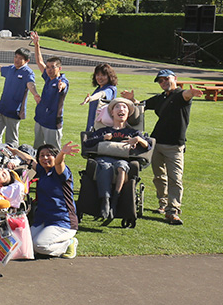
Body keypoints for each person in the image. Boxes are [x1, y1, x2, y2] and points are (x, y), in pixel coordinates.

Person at [123, 69, 203, 226]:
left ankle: (172, 211)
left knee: (175, 178)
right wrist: (133, 100)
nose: (164, 82)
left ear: (175, 78)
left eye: (166, 79)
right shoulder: (161, 98)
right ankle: (163, 204)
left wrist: (192, 93)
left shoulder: (181, 95)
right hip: (156, 143)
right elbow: (142, 106)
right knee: (159, 176)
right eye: (160, 81)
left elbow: (186, 95)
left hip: (175, 146)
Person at [83, 97, 154, 222]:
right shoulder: (104, 130)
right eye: (117, 107)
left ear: (128, 113)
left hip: (123, 160)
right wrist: (103, 138)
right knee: (105, 167)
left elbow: (148, 145)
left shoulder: (133, 132)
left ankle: (114, 201)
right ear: (112, 113)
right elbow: (88, 143)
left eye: (124, 107)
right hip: (104, 158)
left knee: (121, 168)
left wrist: (138, 140)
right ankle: (105, 200)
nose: (121, 109)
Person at [29, 142, 80, 258]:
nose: (45, 158)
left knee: (39, 246)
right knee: (27, 245)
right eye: (42, 155)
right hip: (44, 219)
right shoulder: (43, 171)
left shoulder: (60, 172)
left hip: (63, 221)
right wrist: (12, 150)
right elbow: (29, 160)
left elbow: (59, 162)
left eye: (49, 155)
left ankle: (68, 244)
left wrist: (62, 153)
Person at [0, 48, 39, 149]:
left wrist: (35, 94)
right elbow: (0, 68)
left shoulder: (28, 72)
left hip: (14, 110)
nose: (16, 60)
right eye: (16, 57)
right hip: (1, 108)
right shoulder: (11, 69)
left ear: (27, 61)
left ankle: (11, 159)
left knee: (11, 140)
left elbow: (30, 84)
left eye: (20, 58)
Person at [30, 32, 69, 149]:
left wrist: (61, 86)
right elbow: (39, 61)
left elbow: (63, 86)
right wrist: (36, 44)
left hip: (52, 123)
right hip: (40, 119)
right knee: (38, 150)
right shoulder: (47, 77)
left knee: (53, 151)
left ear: (59, 68)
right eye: (48, 67)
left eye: (53, 67)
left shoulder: (62, 80)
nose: (50, 70)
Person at [81, 63, 118, 131]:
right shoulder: (99, 88)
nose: (99, 78)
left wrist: (91, 98)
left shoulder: (110, 89)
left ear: (109, 76)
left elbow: (102, 94)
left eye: (103, 75)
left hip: (102, 127)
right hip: (92, 125)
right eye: (98, 75)